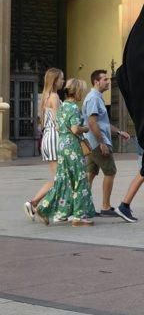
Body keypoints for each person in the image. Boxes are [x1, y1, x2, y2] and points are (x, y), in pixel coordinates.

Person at [36, 78, 97, 226]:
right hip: (73, 147)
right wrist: (86, 129)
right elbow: (76, 129)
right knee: (79, 179)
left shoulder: (63, 106)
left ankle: (48, 209)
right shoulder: (74, 108)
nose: (82, 94)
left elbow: (58, 127)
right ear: (77, 92)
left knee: (64, 179)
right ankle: (79, 217)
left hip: (62, 145)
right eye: (82, 91)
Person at [83, 69, 130, 216]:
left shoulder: (96, 98)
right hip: (97, 142)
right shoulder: (94, 98)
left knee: (90, 173)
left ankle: (84, 206)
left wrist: (119, 132)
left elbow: (102, 123)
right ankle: (105, 206)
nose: (108, 82)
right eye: (105, 79)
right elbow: (92, 122)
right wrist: (102, 142)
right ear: (96, 82)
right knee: (110, 171)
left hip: (91, 141)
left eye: (108, 79)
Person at [25, 67, 63, 221]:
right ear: (54, 80)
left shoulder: (45, 96)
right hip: (54, 136)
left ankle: (37, 204)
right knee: (59, 178)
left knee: (58, 177)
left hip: (47, 137)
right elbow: (57, 121)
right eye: (61, 78)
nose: (63, 81)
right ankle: (36, 203)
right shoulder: (54, 96)